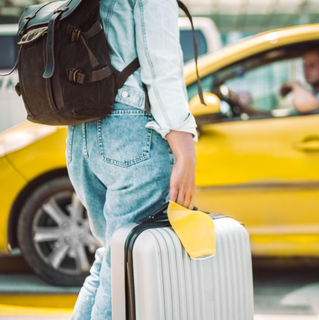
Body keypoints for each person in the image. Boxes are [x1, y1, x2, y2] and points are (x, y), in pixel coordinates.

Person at [67, 0, 197, 319]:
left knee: (113, 258)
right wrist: (184, 146)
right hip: (129, 130)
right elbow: (159, 58)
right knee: (127, 268)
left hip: (79, 131)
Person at [280, 47, 319, 113]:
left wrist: (294, 84)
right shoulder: (315, 95)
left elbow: (303, 106)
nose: (306, 70)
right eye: (304, 66)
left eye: (312, 65)